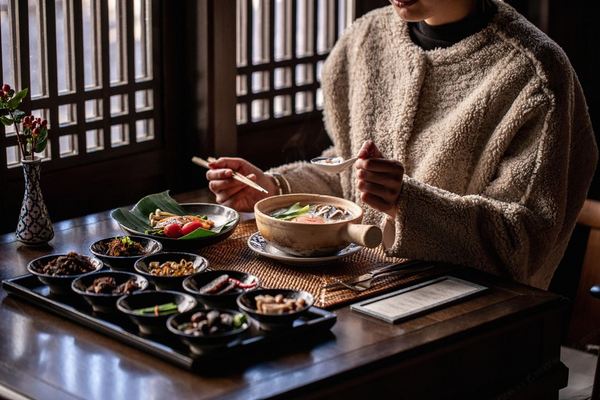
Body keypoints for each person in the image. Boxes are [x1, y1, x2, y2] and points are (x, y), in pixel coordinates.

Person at [206, 0, 598, 289]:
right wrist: (278, 191)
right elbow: (347, 171)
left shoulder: (534, 75)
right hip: (361, 287)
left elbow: (522, 242)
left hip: (474, 314)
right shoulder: (365, 39)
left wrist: (406, 202)